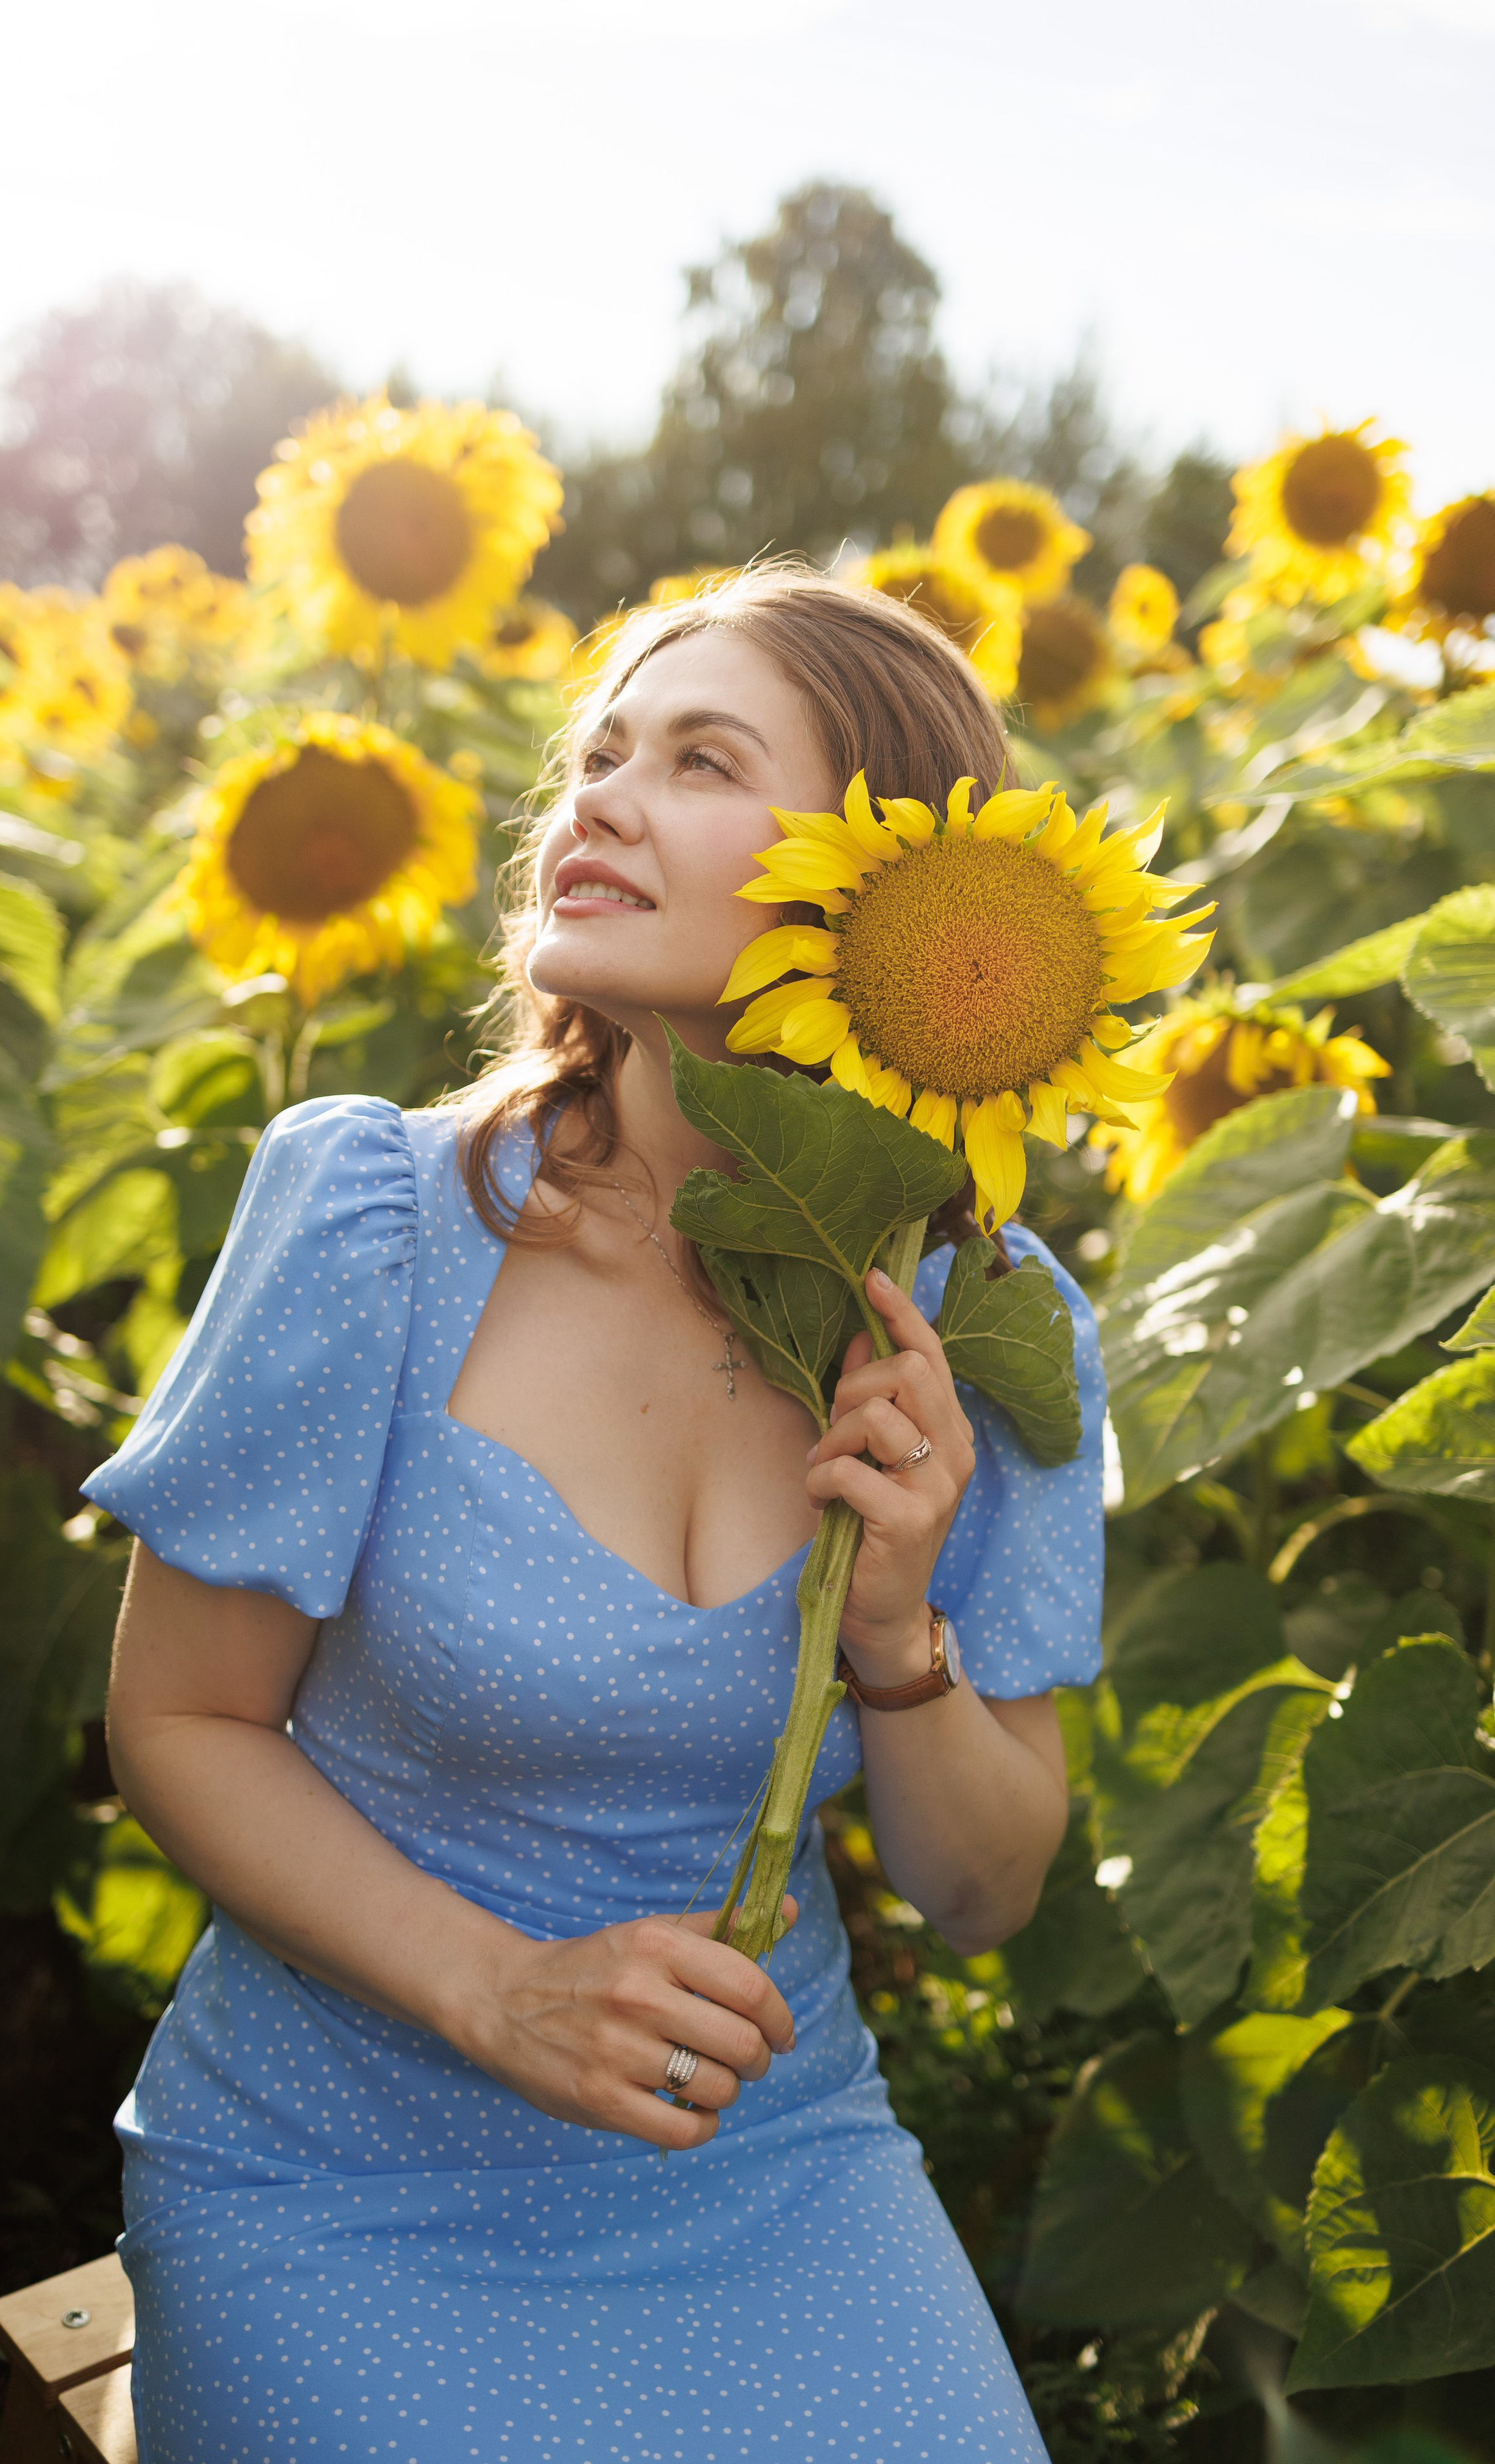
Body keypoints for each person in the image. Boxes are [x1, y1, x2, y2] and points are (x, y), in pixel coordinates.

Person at [90, 566, 1106, 2461]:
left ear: (890, 887)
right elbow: (179, 1723)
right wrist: (501, 1993)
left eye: (701, 762)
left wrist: (897, 1636)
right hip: (339, 2181)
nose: (603, 802)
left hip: (770, 2168)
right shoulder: (376, 1221)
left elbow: (983, 1896)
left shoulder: (981, 1326)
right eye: (603, 756)